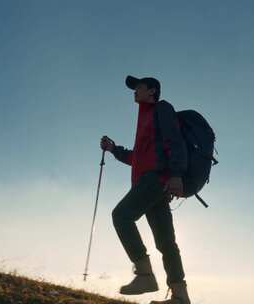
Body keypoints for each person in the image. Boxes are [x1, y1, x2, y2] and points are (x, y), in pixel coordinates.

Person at [99, 75, 191, 304]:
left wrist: (176, 175)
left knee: (121, 215)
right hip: (153, 182)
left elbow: (175, 140)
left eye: (138, 87)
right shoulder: (145, 118)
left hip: (156, 180)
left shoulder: (161, 109)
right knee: (166, 242)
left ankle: (145, 275)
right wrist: (113, 149)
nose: (134, 91)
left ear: (152, 91)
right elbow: (137, 157)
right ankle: (180, 296)